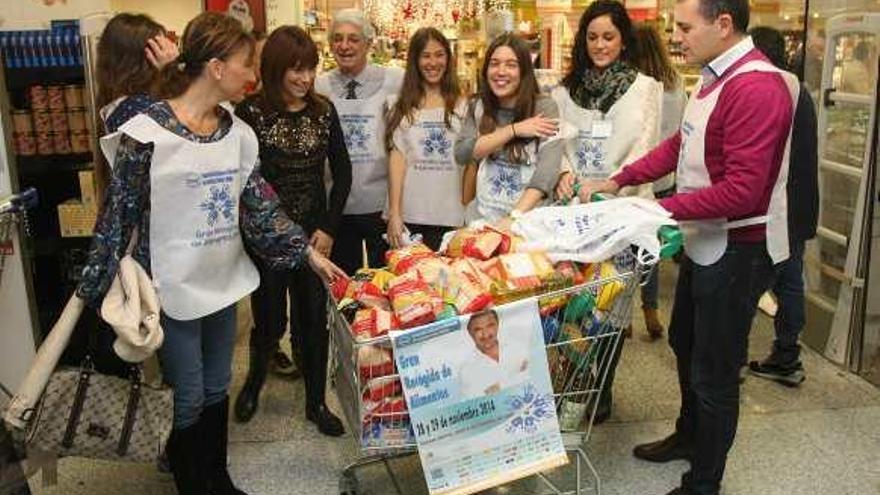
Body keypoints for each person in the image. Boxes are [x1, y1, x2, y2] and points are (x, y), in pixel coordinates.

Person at [77, 12, 345, 494]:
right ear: (217, 67)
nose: (254, 76)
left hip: (222, 281)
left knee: (217, 386)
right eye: (248, 64)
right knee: (190, 394)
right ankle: (192, 483)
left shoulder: (238, 133)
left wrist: (307, 254)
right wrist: (94, 299)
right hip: (170, 286)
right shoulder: (146, 131)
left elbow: (260, 205)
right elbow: (117, 216)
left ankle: (217, 478)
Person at [578, 0, 799, 492]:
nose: (675, 36)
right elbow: (682, 145)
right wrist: (621, 181)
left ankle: (705, 480)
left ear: (723, 25)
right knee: (685, 343)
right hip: (705, 240)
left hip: (740, 249)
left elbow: (745, 190)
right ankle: (689, 436)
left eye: (684, 27)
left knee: (716, 370)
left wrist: (657, 209)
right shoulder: (715, 77)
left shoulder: (757, 86)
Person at [233, 25, 352, 434]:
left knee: (312, 319)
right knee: (267, 319)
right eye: (295, 70)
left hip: (315, 237)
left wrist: (328, 227)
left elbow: (343, 173)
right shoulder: (250, 113)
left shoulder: (324, 110)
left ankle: (316, 403)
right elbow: (244, 181)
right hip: (267, 238)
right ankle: (253, 382)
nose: (305, 79)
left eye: (311, 69)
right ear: (275, 69)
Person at [552, 0, 662, 423]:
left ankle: (605, 385)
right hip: (573, 215)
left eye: (609, 37)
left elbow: (645, 149)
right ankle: (576, 378)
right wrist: (570, 179)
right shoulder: (563, 92)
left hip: (621, 213)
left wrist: (609, 187)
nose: (600, 45)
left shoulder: (646, 87)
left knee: (613, 305)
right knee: (571, 302)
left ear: (623, 40)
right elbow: (557, 146)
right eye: (592, 37)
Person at [747, 26, 818, 387]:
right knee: (790, 280)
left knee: (755, 280)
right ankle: (787, 354)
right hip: (798, 204)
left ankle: (741, 360)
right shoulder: (798, 89)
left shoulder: (773, 89)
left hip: (778, 206)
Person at [314, 9, 404, 274]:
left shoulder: (394, 81)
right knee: (344, 281)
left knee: (385, 278)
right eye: (338, 39)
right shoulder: (319, 87)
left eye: (353, 39)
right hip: (339, 206)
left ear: (368, 43)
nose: (345, 46)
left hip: (381, 202)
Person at [454, 33, 562, 227]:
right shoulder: (478, 105)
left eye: (511, 65)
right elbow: (463, 153)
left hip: (526, 225)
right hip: (481, 222)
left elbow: (546, 175)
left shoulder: (544, 108)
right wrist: (513, 130)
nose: (501, 71)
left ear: (524, 72)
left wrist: (513, 219)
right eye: (494, 64)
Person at [385, 28, 467, 251]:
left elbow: (471, 163)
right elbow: (397, 160)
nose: (433, 62)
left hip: (452, 215)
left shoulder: (464, 106)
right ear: (415, 60)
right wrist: (394, 212)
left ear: (448, 59)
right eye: (426, 55)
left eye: (439, 55)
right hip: (411, 215)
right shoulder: (398, 106)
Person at [633, 21, 689, 340]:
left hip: (636, 177)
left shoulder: (636, 86)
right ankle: (651, 312)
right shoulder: (676, 81)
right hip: (665, 177)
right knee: (650, 248)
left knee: (625, 249)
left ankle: (622, 318)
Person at [96, 13, 179, 133]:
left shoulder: (125, 103)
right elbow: (186, 132)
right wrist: (172, 72)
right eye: (160, 48)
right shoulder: (133, 109)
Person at [459, 309, 530, 398]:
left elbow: (536, 374)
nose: (485, 334)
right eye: (478, 329)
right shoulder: (466, 370)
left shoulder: (517, 347)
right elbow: (478, 403)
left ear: (497, 325)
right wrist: (519, 377)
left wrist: (499, 387)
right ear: (470, 332)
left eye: (490, 326)